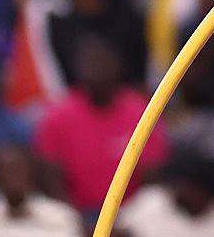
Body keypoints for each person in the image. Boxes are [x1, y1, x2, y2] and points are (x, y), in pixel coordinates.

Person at [33, 34, 169, 214]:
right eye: (90, 63)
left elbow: (152, 176)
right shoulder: (57, 115)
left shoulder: (142, 112)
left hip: (131, 214)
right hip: (73, 215)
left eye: (102, 62)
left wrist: (124, 218)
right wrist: (78, 220)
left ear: (117, 65)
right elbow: (51, 180)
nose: (96, 70)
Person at [117, 150, 214, 237]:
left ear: (205, 193)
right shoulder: (153, 200)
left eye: (187, 184)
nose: (177, 188)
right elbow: (118, 229)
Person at [0, 143, 83, 237]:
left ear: (30, 175)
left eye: (18, 171)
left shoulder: (61, 216)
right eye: (7, 173)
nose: (13, 179)